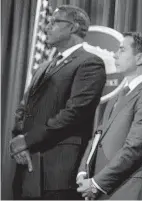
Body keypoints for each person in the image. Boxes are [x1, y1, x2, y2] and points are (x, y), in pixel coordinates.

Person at [10, 5, 106, 200]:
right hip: (26, 169)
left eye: (54, 22)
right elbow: (23, 109)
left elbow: (74, 113)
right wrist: (19, 141)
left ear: (73, 27)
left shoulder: (89, 63)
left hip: (57, 172)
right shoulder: (43, 67)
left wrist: (27, 141)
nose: (47, 27)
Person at [76, 32, 142, 200]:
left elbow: (135, 147)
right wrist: (84, 172)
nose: (115, 54)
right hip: (102, 188)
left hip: (125, 189)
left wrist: (97, 183)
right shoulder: (120, 95)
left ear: (139, 58)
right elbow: (97, 137)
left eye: (122, 50)